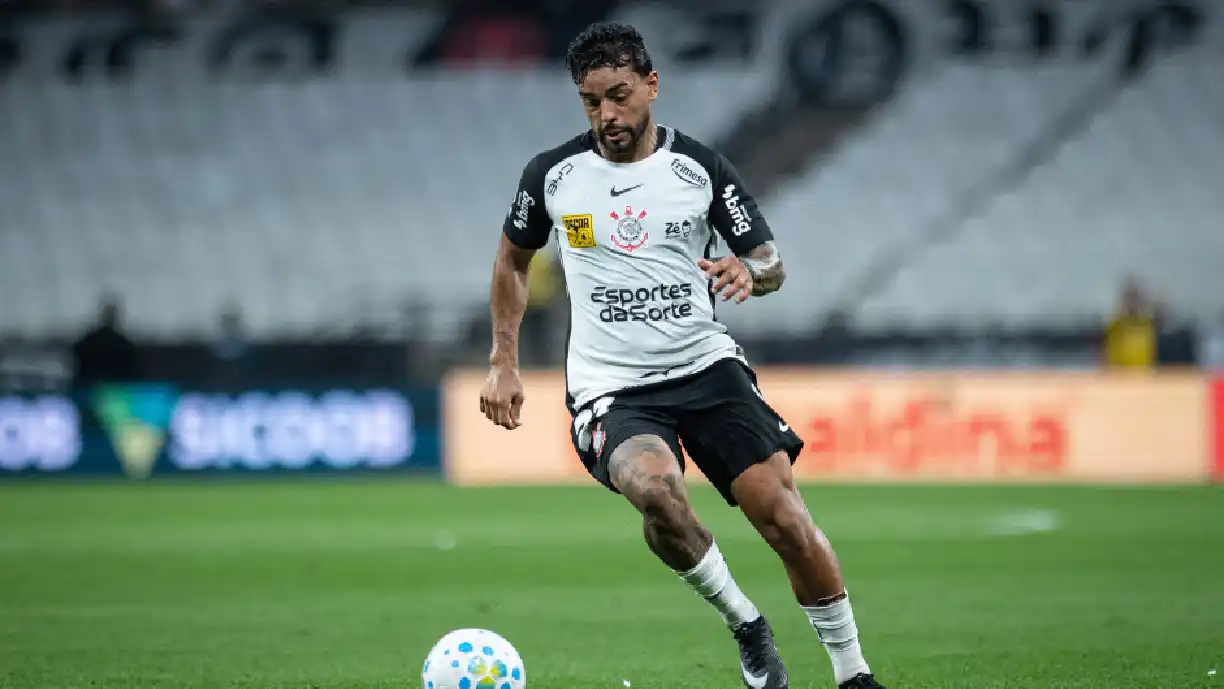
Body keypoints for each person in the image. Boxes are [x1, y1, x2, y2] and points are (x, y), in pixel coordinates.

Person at [478, 21, 885, 689]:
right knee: (657, 491)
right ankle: (747, 624)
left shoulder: (698, 168)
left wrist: (751, 272)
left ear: (651, 85)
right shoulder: (552, 176)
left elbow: (770, 259)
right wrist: (503, 360)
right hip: (614, 389)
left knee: (783, 517)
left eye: (618, 96)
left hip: (707, 368)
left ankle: (853, 674)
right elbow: (511, 261)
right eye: (591, 101)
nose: (607, 115)